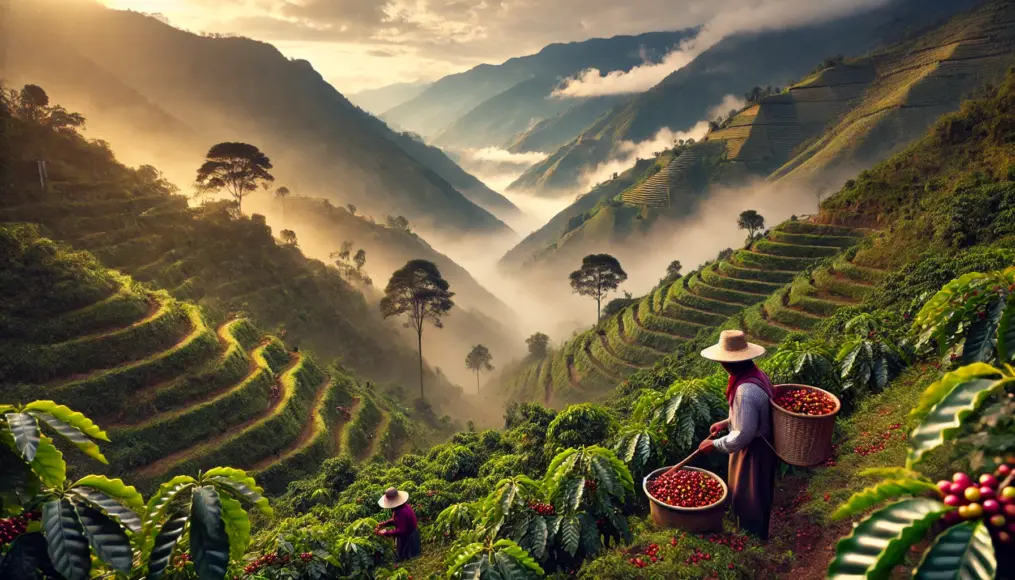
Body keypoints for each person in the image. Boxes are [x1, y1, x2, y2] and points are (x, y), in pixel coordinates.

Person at [695, 330, 776, 541]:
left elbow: (742, 436)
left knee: (749, 497)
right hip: (762, 445)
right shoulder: (757, 375)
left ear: (726, 364)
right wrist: (726, 422)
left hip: (753, 452)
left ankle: (753, 541)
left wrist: (714, 444)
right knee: (758, 494)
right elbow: (750, 416)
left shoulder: (745, 391)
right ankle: (756, 534)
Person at [376, 487, 420, 561]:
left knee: (408, 559)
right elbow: (396, 521)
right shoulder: (402, 507)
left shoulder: (401, 511)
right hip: (410, 532)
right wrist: (384, 524)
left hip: (409, 536)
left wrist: (386, 533)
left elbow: (401, 531)